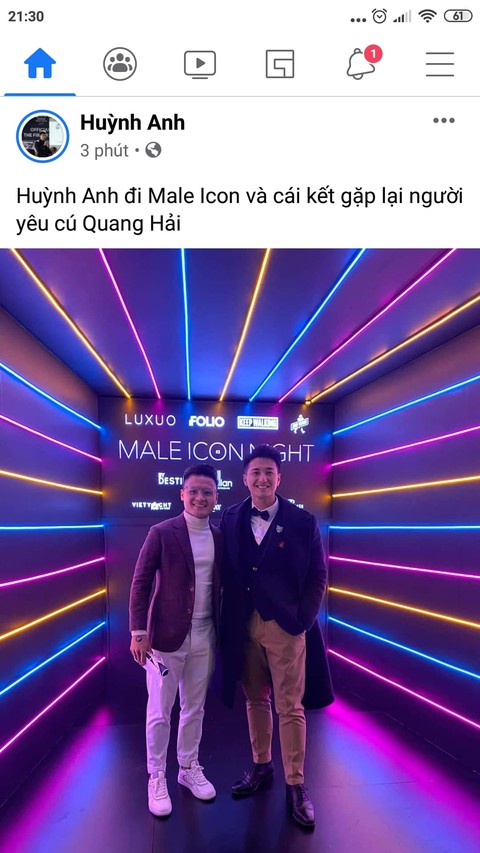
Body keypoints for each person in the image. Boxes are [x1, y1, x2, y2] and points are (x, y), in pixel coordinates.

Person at [220, 444, 333, 829]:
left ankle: (296, 784)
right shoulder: (231, 516)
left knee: (290, 706)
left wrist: (302, 620)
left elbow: (318, 575)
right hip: (243, 625)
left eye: (269, 472)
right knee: (255, 699)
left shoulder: (303, 521)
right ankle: (261, 766)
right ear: (244, 478)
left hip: (285, 626)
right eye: (255, 472)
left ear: (279, 477)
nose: (262, 478)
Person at [129, 463, 222, 817]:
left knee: (194, 708)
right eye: (193, 491)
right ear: (182, 494)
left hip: (206, 635)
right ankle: (156, 776)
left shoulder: (220, 537)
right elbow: (140, 583)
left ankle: (187, 767)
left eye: (207, 492)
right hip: (165, 639)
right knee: (159, 711)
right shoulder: (161, 532)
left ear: (216, 497)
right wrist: (139, 632)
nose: (200, 497)